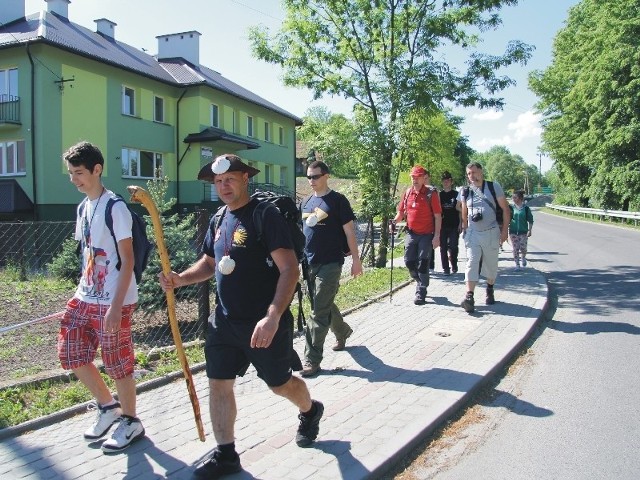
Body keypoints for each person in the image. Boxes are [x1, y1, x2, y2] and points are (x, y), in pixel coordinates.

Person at [159, 154, 323, 478]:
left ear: (245, 178)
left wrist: (273, 316)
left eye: (230, 179)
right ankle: (226, 455)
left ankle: (310, 409)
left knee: (280, 385)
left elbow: (289, 269)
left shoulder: (266, 215)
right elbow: (209, 263)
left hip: (264, 323)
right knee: (219, 383)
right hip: (225, 322)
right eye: (218, 182)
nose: (223, 186)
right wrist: (180, 279)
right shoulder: (219, 219)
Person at [60, 141, 144, 453]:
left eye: (79, 173)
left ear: (97, 170)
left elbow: (128, 259)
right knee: (70, 352)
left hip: (114, 300)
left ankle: (131, 420)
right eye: (70, 173)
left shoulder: (115, 207)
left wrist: (116, 307)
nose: (74, 180)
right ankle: (108, 407)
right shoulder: (83, 208)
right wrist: (80, 292)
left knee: (117, 362)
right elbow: (90, 257)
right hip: (86, 295)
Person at [299, 160, 363, 377]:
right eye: (308, 177)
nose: (311, 181)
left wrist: (356, 260)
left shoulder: (338, 201)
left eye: (315, 176)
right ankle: (343, 331)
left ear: (326, 176)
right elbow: (303, 234)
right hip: (310, 263)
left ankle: (311, 359)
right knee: (323, 303)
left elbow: (350, 233)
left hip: (332, 263)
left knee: (317, 312)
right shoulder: (305, 202)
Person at [459, 162, 511, 313]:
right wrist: (465, 228)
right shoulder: (465, 191)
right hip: (473, 233)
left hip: (491, 232)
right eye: (469, 174)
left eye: (474, 172)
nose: (472, 176)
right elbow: (464, 211)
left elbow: (505, 209)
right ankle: (469, 297)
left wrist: (504, 231)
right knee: (471, 262)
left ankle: (490, 288)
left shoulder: (494, 187)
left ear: (481, 172)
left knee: (491, 265)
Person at [392, 165, 442, 305]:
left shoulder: (430, 194)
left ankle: (421, 291)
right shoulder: (408, 193)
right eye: (413, 177)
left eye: (417, 177)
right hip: (412, 233)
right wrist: (394, 222)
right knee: (409, 261)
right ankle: (421, 280)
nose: (414, 179)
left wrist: (437, 236)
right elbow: (401, 212)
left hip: (427, 234)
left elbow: (438, 216)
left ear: (423, 178)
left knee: (423, 262)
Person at [438, 171, 461, 274]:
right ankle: (445, 268)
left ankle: (454, 264)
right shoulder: (439, 195)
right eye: (444, 181)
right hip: (442, 225)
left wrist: (461, 223)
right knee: (443, 247)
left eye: (448, 181)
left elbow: (460, 210)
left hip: (454, 224)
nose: (446, 183)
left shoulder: (456, 194)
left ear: (451, 182)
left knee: (453, 246)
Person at [509, 190, 534, 269]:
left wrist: (530, 230)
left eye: (515, 197)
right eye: (512, 197)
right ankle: (517, 264)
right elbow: (507, 218)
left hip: (523, 232)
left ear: (520, 198)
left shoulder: (526, 209)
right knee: (515, 248)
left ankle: (523, 257)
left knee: (523, 248)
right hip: (513, 231)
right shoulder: (511, 208)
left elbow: (530, 220)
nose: (513, 199)